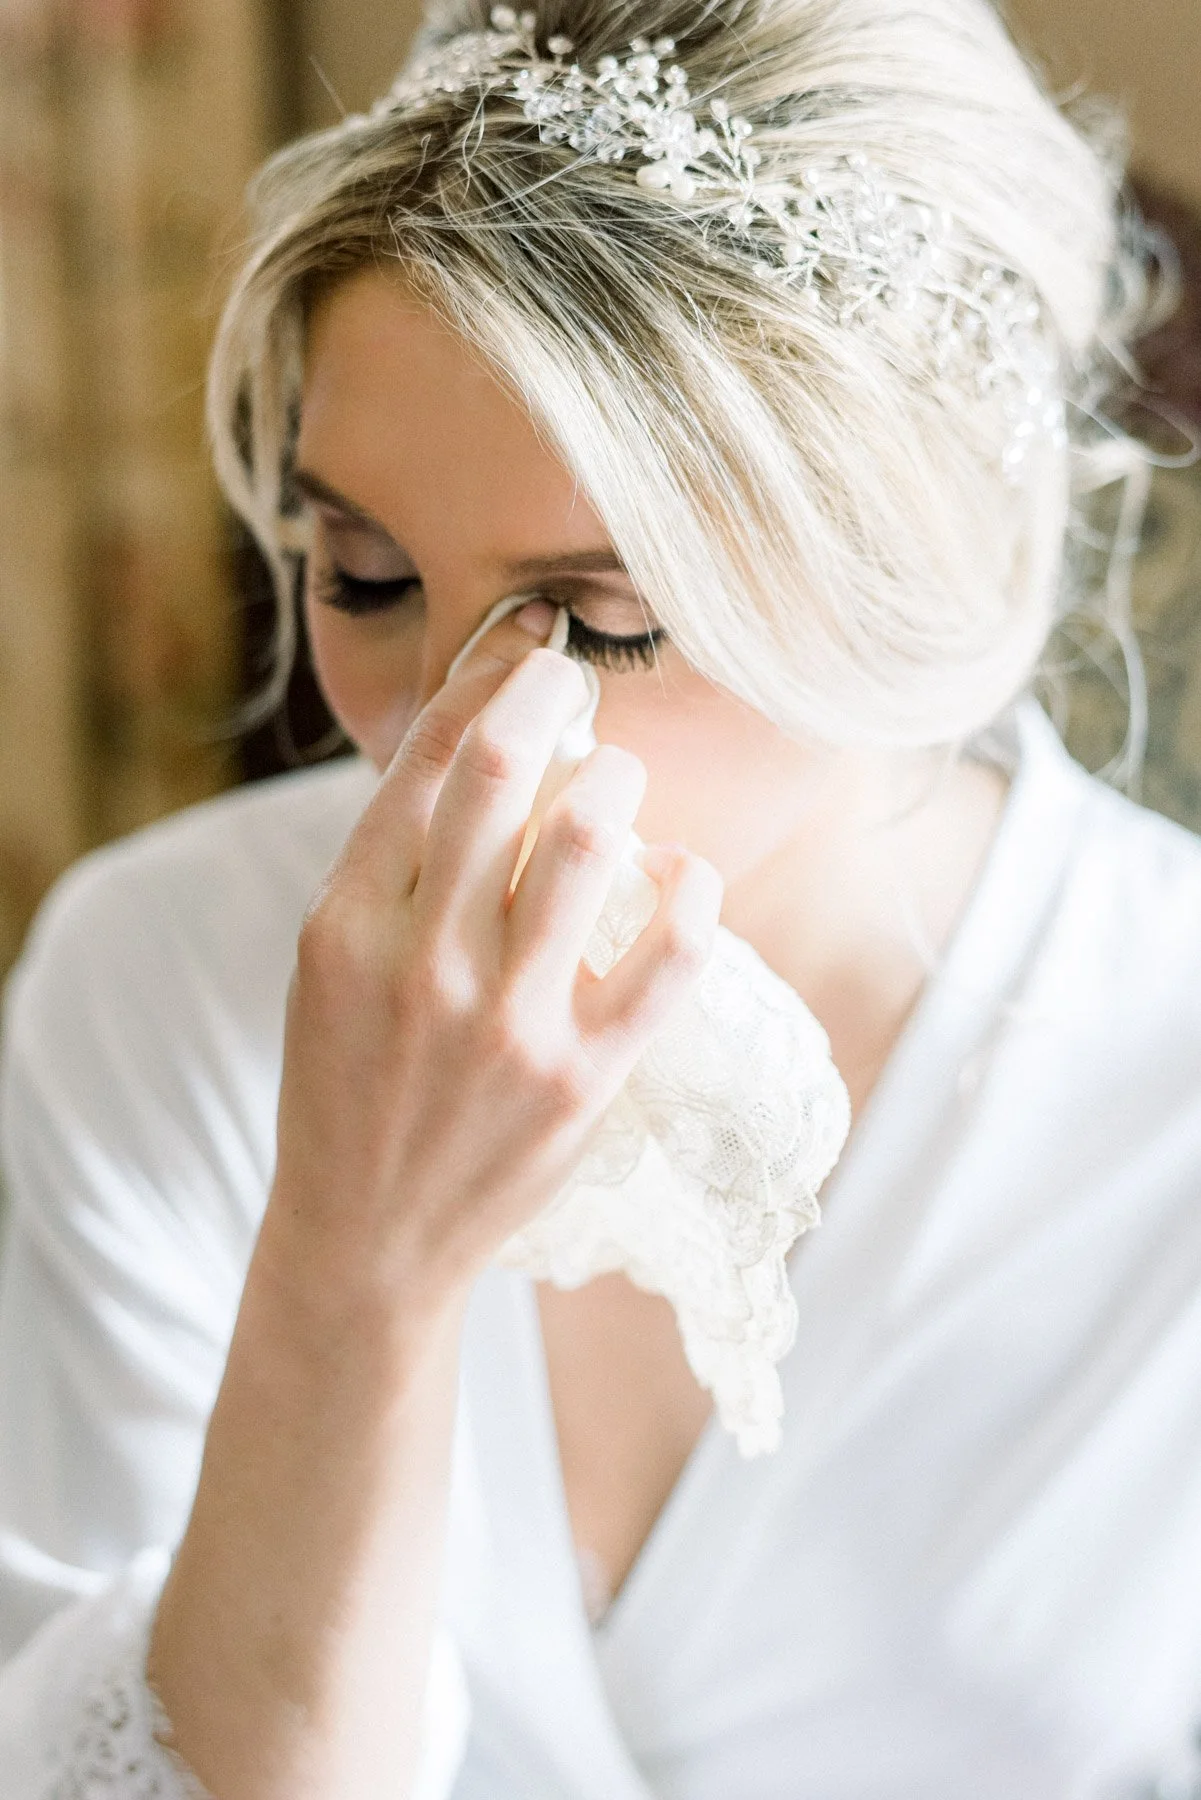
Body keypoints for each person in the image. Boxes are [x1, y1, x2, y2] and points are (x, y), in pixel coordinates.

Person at [1, 0, 1200, 1795]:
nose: (450, 730)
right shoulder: (154, 978)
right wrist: (359, 1259)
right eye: (367, 574)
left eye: (601, 622)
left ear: (911, 575)